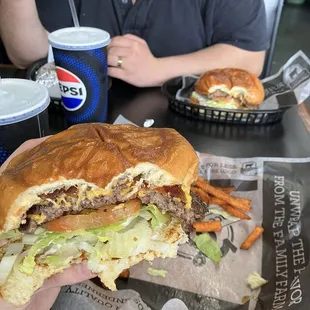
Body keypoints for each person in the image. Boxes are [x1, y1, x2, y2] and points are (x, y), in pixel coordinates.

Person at [0, 0, 269, 87]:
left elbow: (249, 56)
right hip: (68, 134)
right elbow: (29, 55)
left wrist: (157, 70)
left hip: (187, 133)